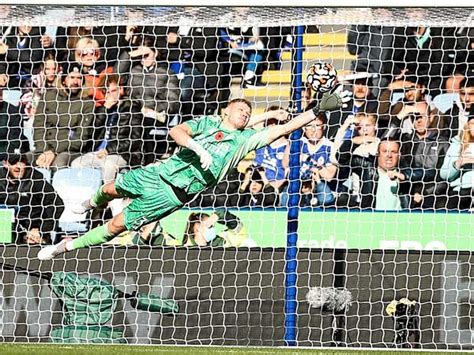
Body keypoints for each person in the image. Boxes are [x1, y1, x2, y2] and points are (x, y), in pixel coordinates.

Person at [38, 88, 351, 260]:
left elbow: (282, 128)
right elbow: (177, 130)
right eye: (239, 109)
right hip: (158, 173)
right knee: (110, 188)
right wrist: (196, 148)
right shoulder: (207, 124)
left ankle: (64, 247)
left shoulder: (245, 141)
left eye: (247, 112)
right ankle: (88, 204)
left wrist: (317, 110)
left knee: (118, 225)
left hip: (173, 194)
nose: (244, 114)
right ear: (226, 110)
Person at [71, 73, 144, 183]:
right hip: (98, 152)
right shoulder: (103, 109)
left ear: (121, 89)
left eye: (113, 91)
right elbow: (92, 132)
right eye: (107, 92)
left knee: (108, 165)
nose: (110, 95)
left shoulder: (132, 109)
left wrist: (109, 150)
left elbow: (135, 139)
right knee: (76, 164)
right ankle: (89, 195)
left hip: (121, 154)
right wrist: (104, 110)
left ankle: (108, 197)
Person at [32, 63, 95, 170]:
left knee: (59, 163)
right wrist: (44, 150)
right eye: (72, 77)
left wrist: (54, 151)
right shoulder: (49, 96)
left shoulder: (87, 103)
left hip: (69, 150)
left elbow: (81, 138)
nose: (75, 82)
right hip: (45, 148)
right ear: (63, 80)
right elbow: (39, 126)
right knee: (24, 160)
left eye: (79, 78)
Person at [0, 153, 64, 244]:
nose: (19, 167)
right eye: (14, 163)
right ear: (5, 163)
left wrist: (40, 230)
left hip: (32, 230)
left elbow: (57, 204)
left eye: (22, 162)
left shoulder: (35, 178)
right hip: (5, 227)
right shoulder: (1, 178)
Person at [440, 109, 474, 210]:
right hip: (460, 193)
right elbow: (444, 175)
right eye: (473, 123)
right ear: (467, 125)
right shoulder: (457, 144)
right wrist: (459, 163)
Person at [182, 209, 254, 247]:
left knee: (249, 242)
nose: (212, 229)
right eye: (210, 226)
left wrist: (219, 215)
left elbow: (240, 230)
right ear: (197, 227)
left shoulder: (222, 241)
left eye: (213, 226)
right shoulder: (185, 249)